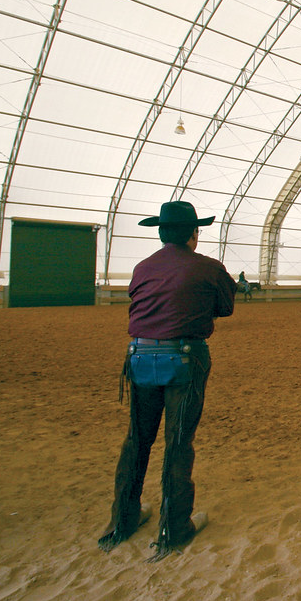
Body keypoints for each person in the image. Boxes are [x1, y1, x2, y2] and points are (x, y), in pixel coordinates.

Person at [98, 201, 236, 560]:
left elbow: (136, 302)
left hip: (139, 357)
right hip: (185, 358)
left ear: (160, 233)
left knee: (136, 439)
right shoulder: (209, 267)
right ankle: (173, 527)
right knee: (177, 441)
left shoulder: (142, 267)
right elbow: (225, 307)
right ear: (194, 233)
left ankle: (122, 520)